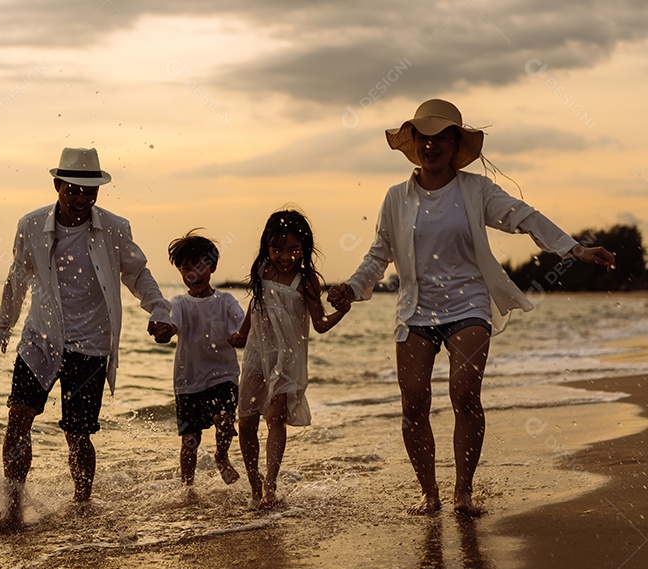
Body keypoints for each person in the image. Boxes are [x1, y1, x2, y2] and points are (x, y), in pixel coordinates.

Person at [327, 99, 615, 517]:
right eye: (423, 137)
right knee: (412, 404)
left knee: (464, 395)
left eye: (440, 137)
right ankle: (429, 493)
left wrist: (574, 249)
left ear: (454, 142)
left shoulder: (476, 190)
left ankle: (464, 491)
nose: (431, 145)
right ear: (415, 143)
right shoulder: (396, 198)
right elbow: (378, 256)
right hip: (416, 310)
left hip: (469, 304)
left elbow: (525, 217)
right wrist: (352, 289)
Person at [0, 147, 175, 532]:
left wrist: (159, 309)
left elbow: (137, 274)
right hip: (40, 338)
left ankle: (82, 505)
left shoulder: (114, 228)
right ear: (57, 186)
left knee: (78, 433)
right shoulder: (31, 225)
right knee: (18, 418)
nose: (81, 200)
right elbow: (17, 278)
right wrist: (3, 327)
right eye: (73, 191)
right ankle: (13, 509)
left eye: (89, 192)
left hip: (90, 344)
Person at [229, 209, 350, 509]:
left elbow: (319, 324)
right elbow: (255, 306)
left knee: (275, 417)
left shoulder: (306, 280)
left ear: (304, 249)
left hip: (289, 357)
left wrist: (343, 311)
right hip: (258, 353)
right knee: (245, 421)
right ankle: (254, 484)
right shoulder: (261, 272)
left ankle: (270, 487)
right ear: (266, 246)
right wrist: (242, 334)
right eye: (277, 249)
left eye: (293, 249)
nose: (285, 256)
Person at [157, 230, 246, 487]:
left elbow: (240, 329)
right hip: (189, 381)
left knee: (225, 419)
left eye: (200, 266)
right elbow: (172, 325)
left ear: (213, 266)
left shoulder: (226, 301)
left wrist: (239, 338)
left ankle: (221, 456)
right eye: (186, 268)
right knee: (189, 441)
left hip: (223, 375)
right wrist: (164, 331)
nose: (193, 274)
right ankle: (188, 488)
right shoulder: (180, 303)